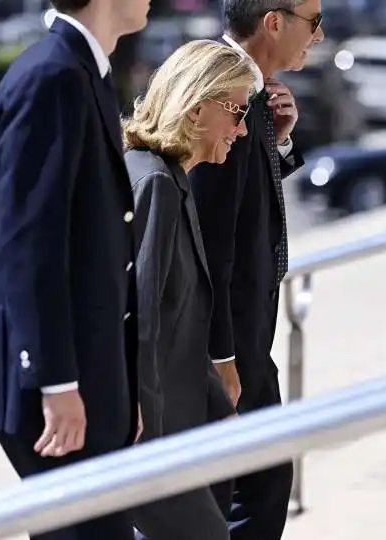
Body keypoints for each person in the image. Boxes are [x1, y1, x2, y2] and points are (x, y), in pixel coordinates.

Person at [0, 1, 149, 538]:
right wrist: (55, 383)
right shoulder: (53, 76)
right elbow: (31, 244)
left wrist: (122, 383)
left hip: (87, 373)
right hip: (57, 382)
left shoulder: (82, 70)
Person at [189, 1, 323, 538]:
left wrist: (283, 139)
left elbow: (249, 197)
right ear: (274, 22)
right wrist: (223, 356)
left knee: (258, 486)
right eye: (312, 22)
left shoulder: (258, 92)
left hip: (246, 340)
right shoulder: (225, 88)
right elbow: (210, 240)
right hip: (226, 346)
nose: (318, 36)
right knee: (245, 494)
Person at [122, 40, 256, 540]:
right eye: (237, 112)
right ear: (198, 107)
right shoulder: (153, 183)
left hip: (175, 423)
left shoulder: (169, 177)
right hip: (151, 432)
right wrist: (139, 422)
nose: (241, 130)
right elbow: (141, 314)